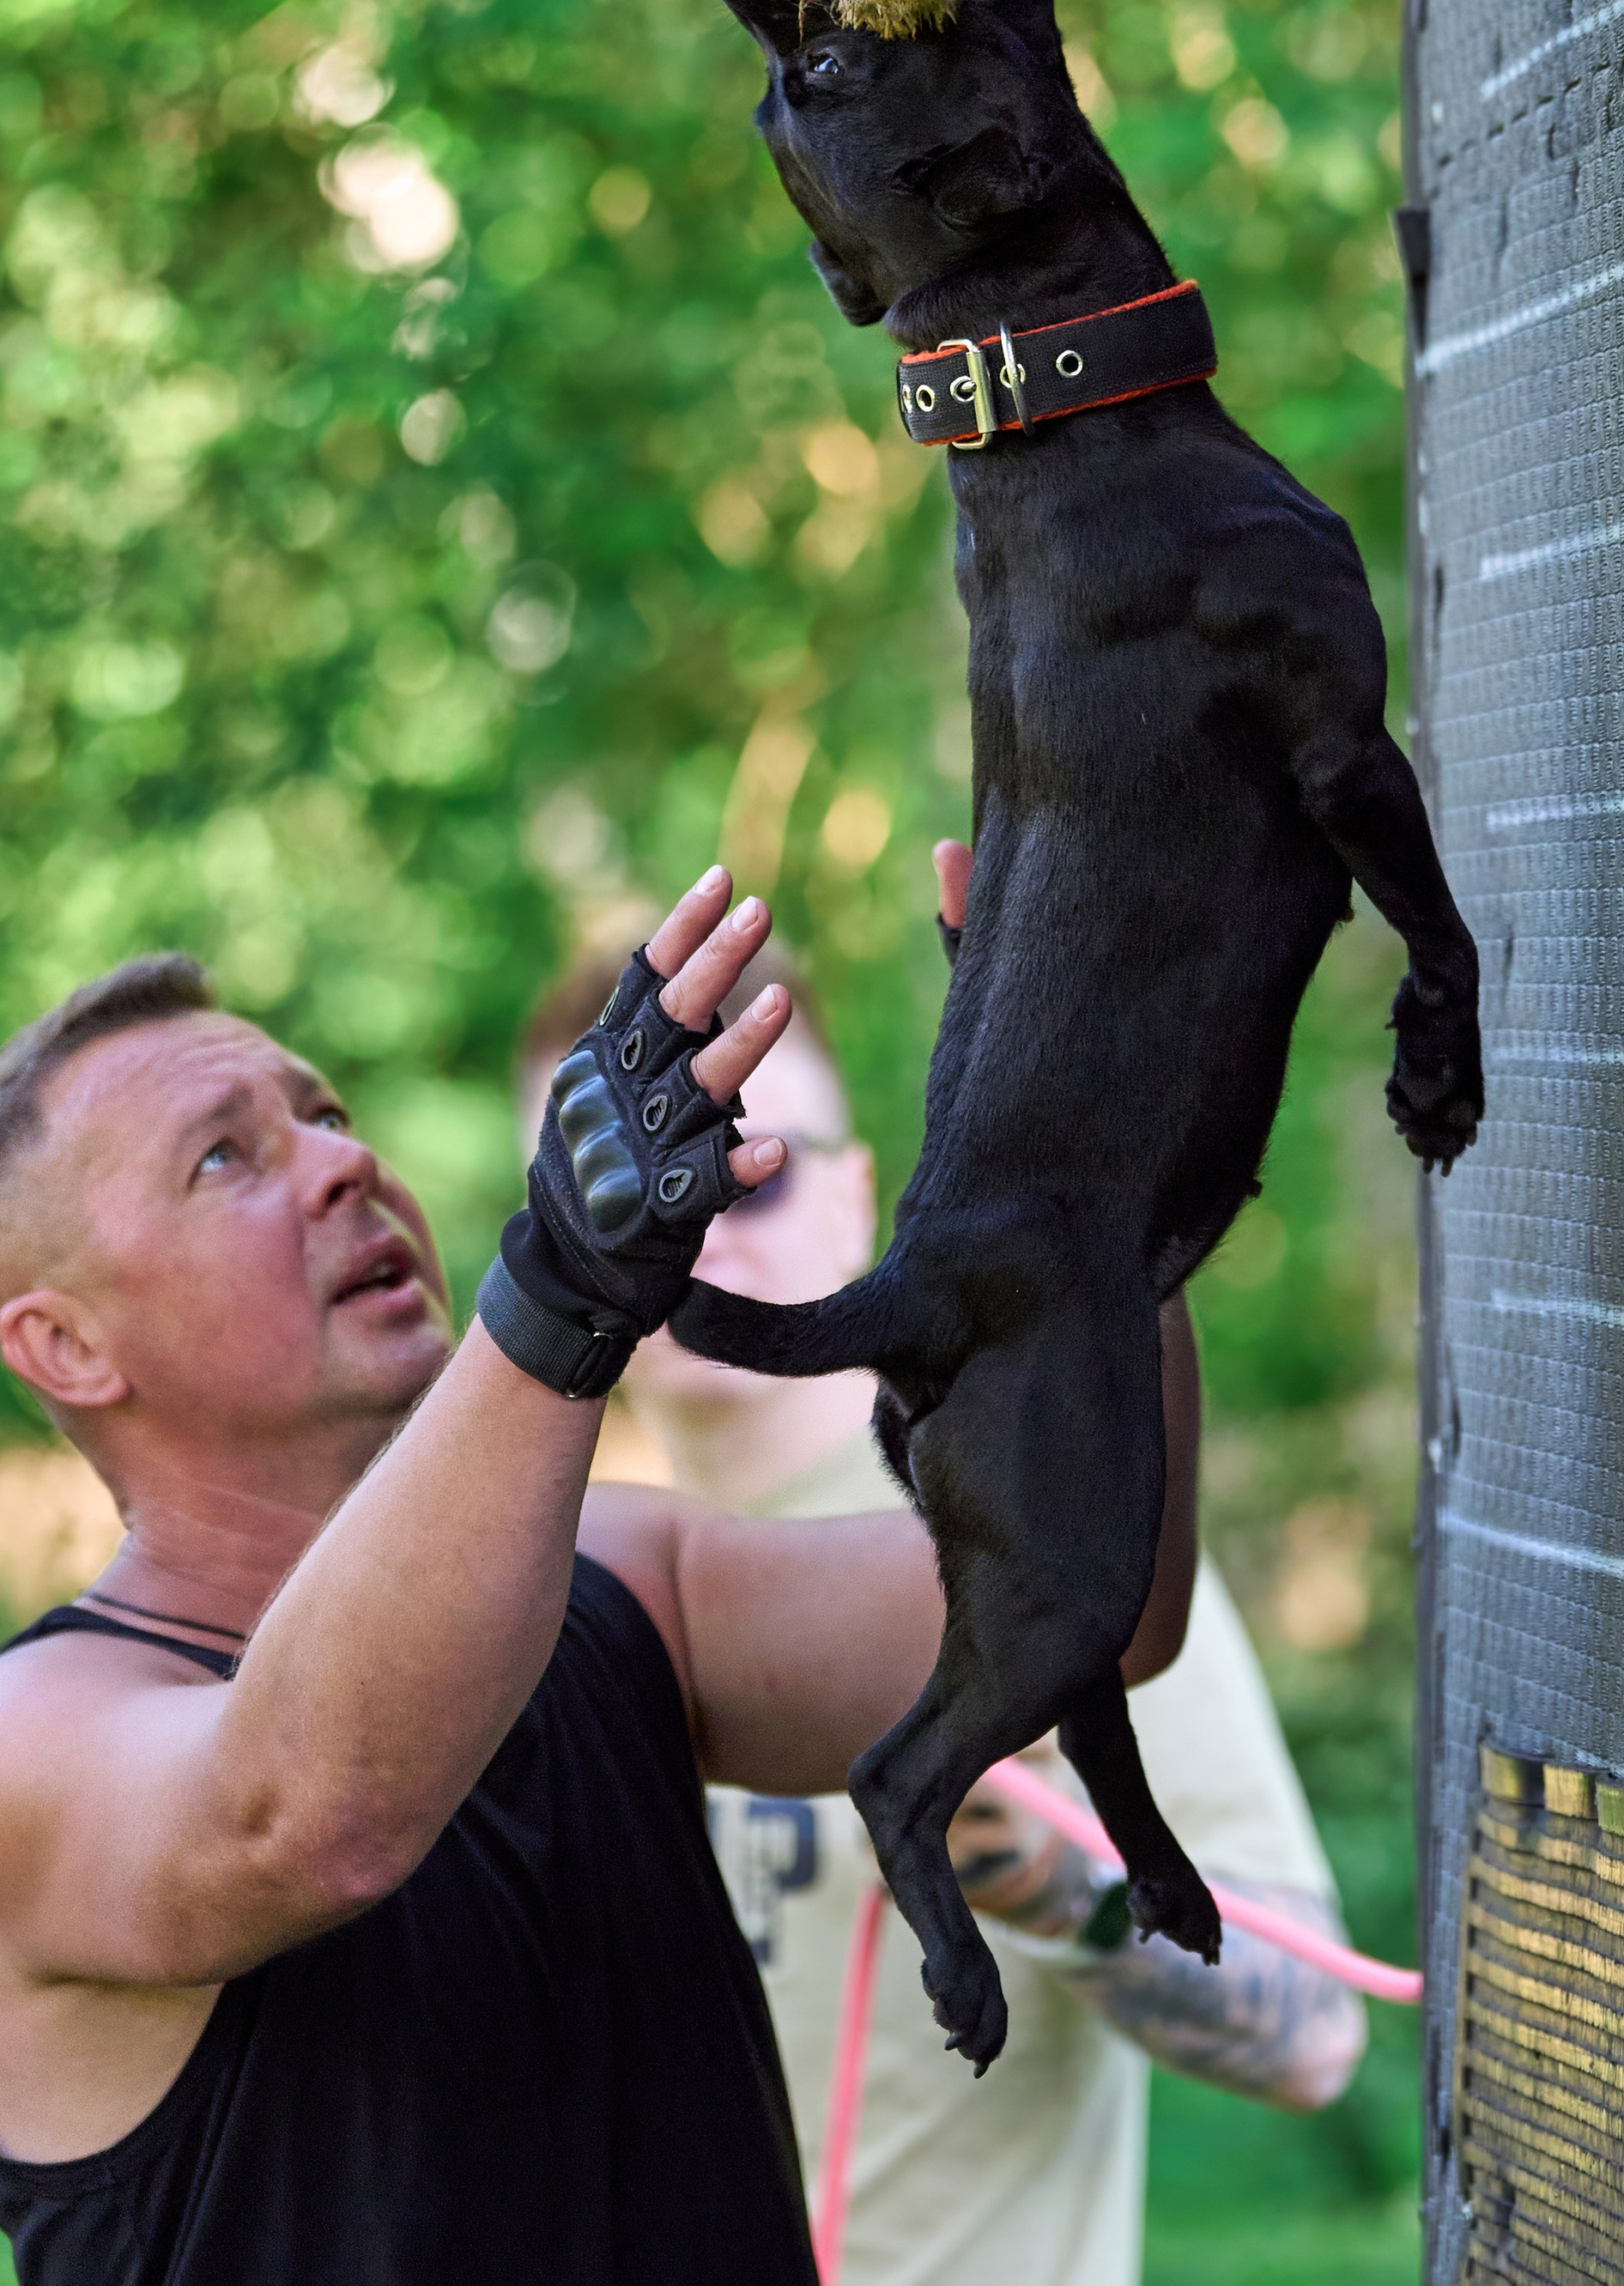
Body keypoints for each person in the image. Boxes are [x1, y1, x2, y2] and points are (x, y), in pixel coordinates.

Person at [0, 864, 1204, 2286]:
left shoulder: (627, 1573)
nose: (343, 1163)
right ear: (67, 1349)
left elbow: (1093, 1604)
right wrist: (561, 1295)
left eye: (326, 1114)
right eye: (225, 1157)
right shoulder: (16, 1756)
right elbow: (305, 1816)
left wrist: (1084, 1120)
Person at [520, 845, 1366, 2286]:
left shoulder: (1041, 1516)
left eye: (760, 1173)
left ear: (859, 1201)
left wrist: (1052, 1882)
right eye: (651, 1181)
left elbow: (1314, 2030)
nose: (708, 1223)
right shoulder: (528, 1590)